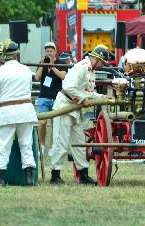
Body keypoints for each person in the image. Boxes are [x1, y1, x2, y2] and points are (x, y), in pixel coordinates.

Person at [49, 44, 110, 185]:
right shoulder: (82, 67)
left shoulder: (91, 70)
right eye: (102, 62)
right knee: (61, 141)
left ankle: (83, 175)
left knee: (80, 143)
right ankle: (55, 175)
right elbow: (69, 87)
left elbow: (88, 92)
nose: (102, 65)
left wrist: (102, 97)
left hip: (75, 108)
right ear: (96, 58)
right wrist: (84, 99)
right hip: (64, 105)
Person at [0, 39, 38, 186]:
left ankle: (0, 179)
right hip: (26, 111)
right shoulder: (26, 70)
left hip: (7, 112)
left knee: (3, 146)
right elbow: (28, 90)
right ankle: (29, 179)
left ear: (4, 56)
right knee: (26, 145)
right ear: (16, 55)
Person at [35, 42, 67, 156]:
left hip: (56, 98)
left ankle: (54, 146)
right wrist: (41, 65)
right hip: (43, 97)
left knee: (55, 124)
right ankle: (42, 146)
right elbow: (37, 77)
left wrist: (52, 67)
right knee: (42, 123)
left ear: (55, 51)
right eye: (47, 51)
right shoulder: (42, 63)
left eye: (51, 51)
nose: (49, 53)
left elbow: (63, 76)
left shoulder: (61, 63)